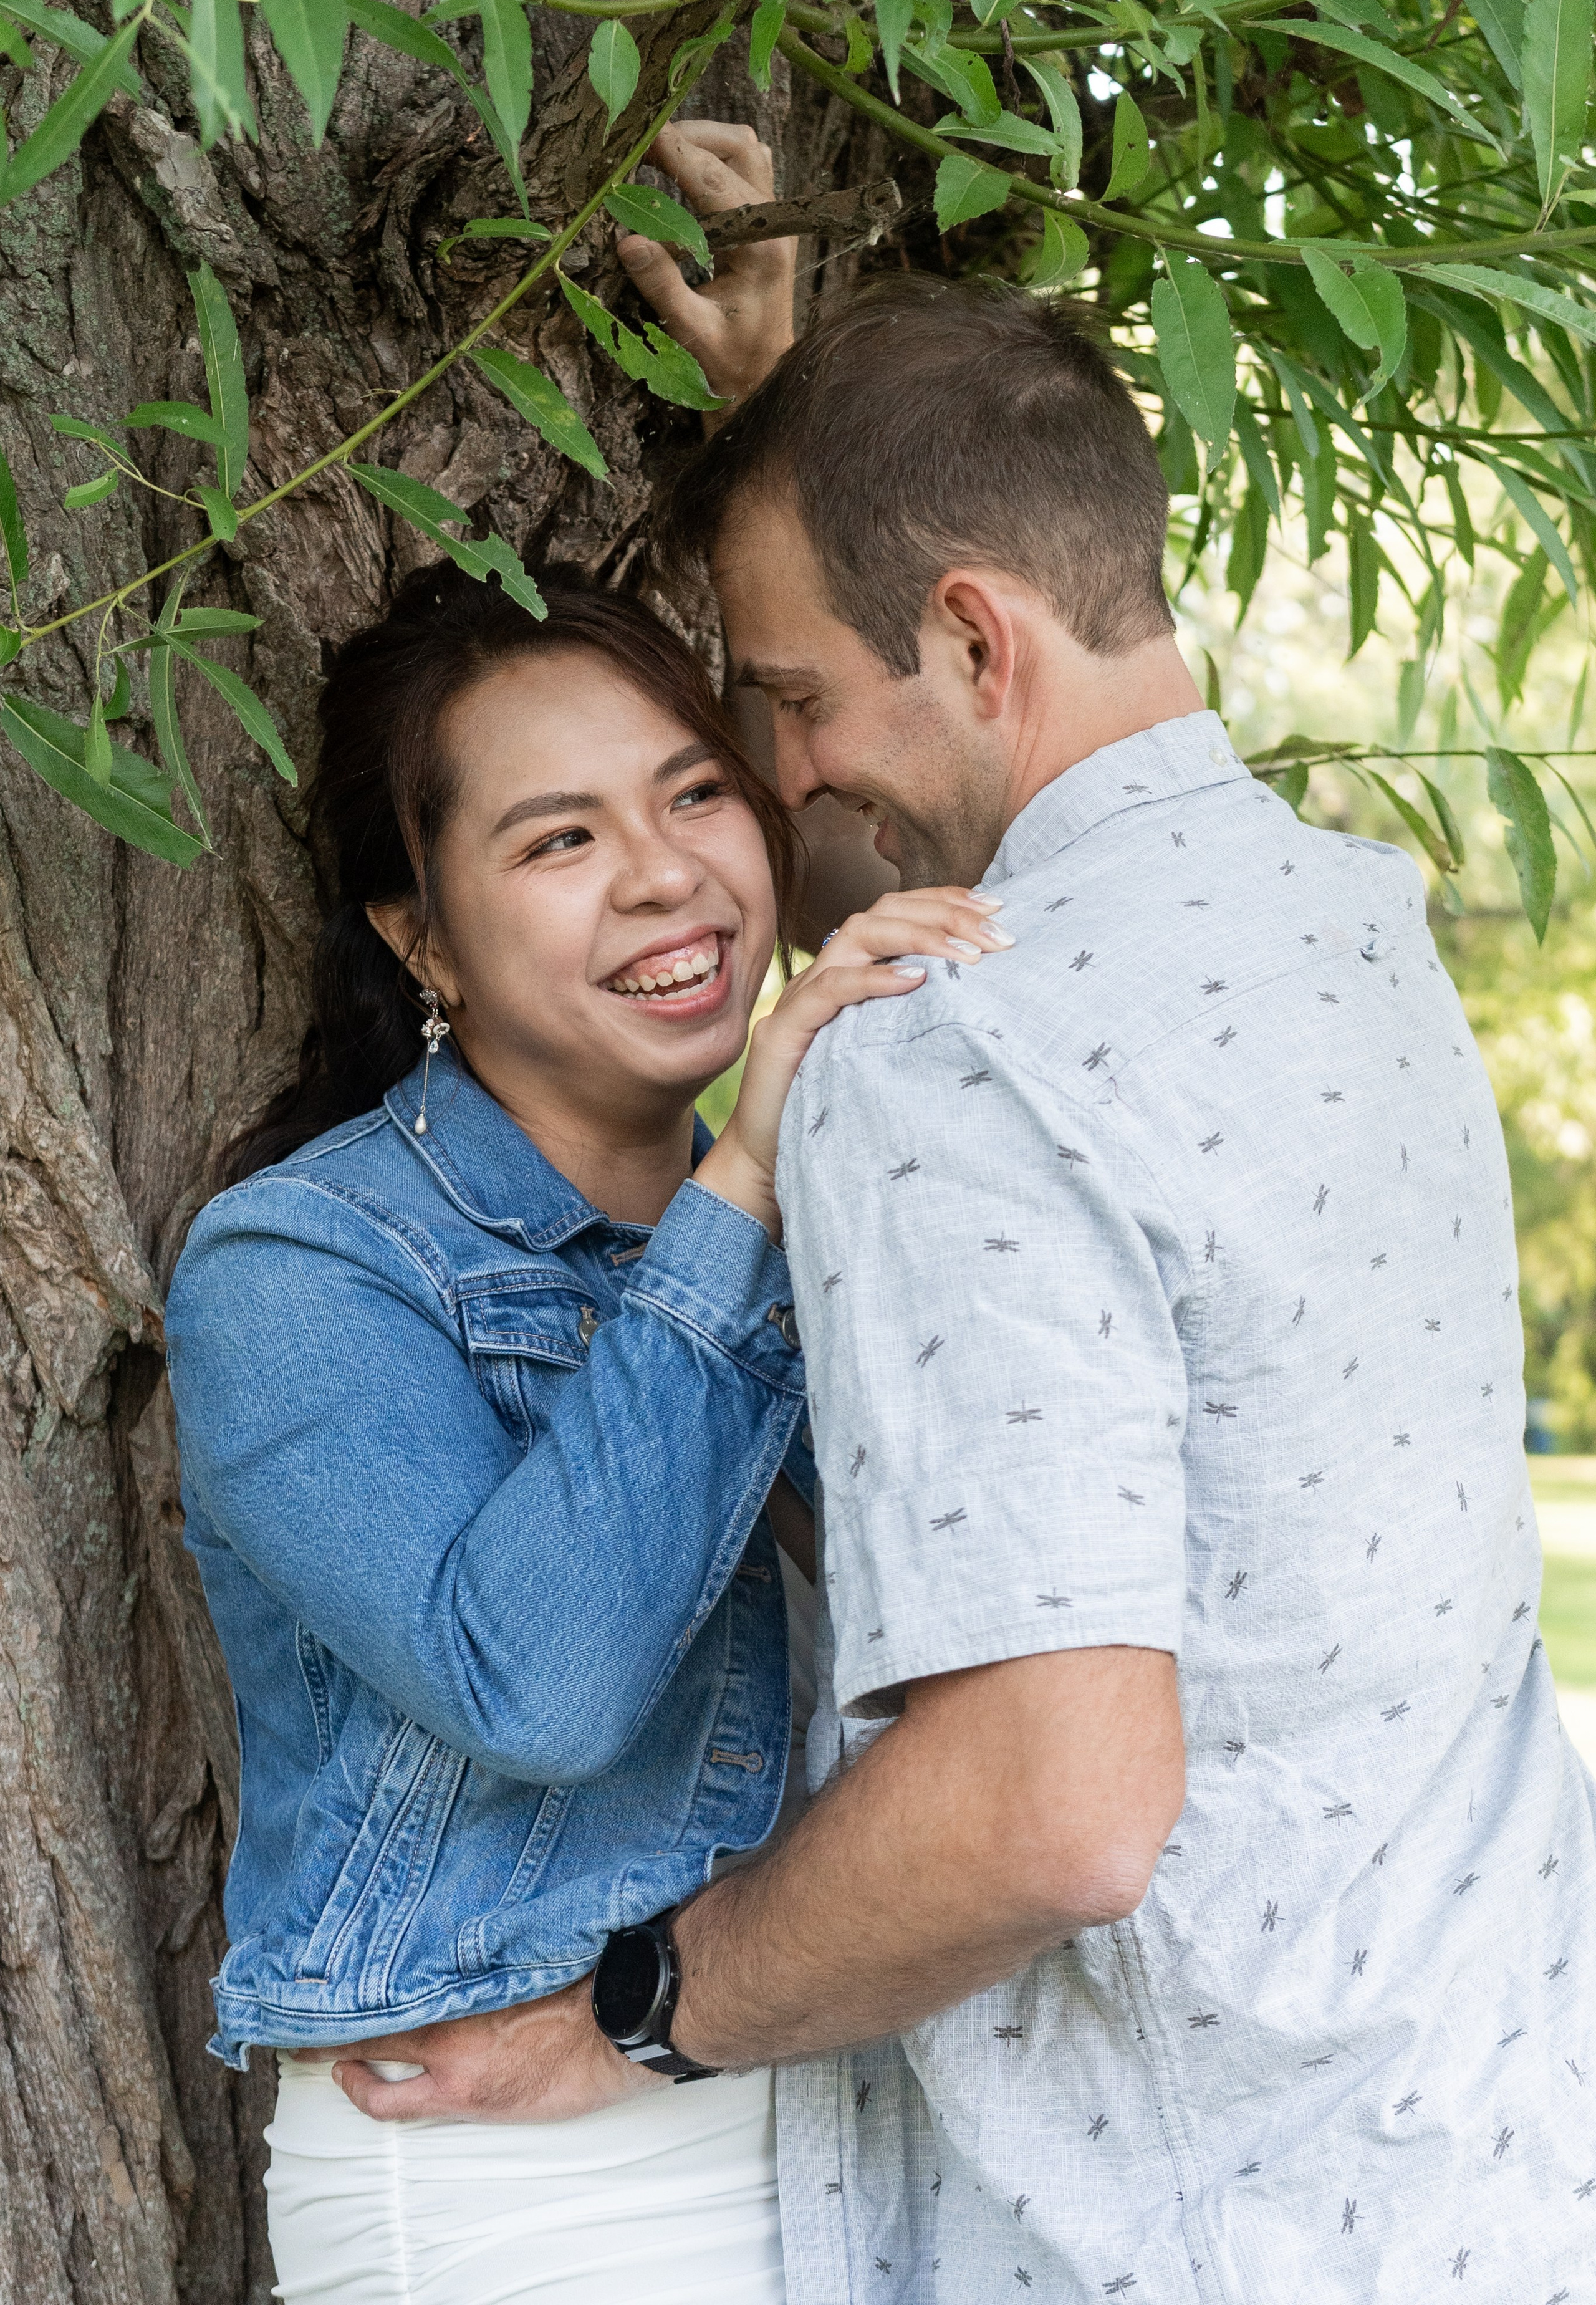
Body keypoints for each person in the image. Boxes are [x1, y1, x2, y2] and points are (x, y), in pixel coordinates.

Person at [344, 272, 1596, 2301]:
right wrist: (805, 426)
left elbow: (1051, 1809)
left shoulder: (947, 1053)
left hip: (1180, 2235)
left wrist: (637, 2011)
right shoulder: (1348, 932)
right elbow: (931, 752)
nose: (789, 782)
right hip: (1480, 2165)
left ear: (974, 635)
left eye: (793, 700)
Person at [165, 547, 1012, 2299]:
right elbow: (537, 1690)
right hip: (506, 2171)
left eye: (696, 790)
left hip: (820, 2104)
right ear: (420, 934)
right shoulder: (302, 1264)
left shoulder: (792, 1211)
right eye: (558, 841)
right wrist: (751, 1183)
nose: (662, 878)